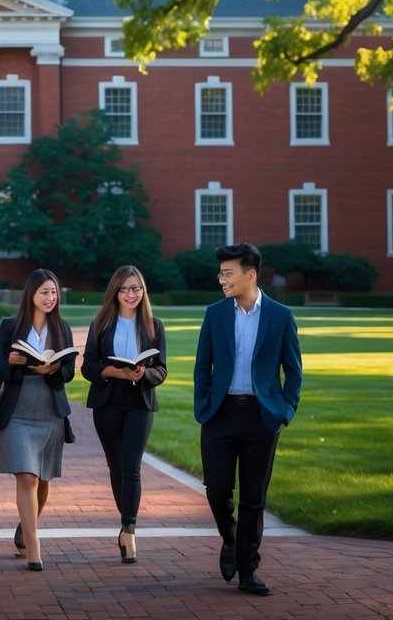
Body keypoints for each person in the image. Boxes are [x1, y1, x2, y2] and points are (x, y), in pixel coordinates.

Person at [194, 243, 302, 597]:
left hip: (261, 417)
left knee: (254, 496)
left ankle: (247, 569)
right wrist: (203, 405)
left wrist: (284, 411)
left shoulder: (281, 316)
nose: (221, 278)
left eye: (228, 273)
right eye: (221, 273)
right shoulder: (215, 314)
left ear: (250, 275)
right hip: (220, 415)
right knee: (218, 489)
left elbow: (293, 371)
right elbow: (202, 365)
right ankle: (230, 537)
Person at [0, 268, 77, 572]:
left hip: (49, 409)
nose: (50, 298)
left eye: (53, 292)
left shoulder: (62, 327)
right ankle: (34, 545)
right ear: (31, 295)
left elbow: (69, 371)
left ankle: (27, 527)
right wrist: (12, 363)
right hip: (18, 410)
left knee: (43, 478)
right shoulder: (10, 326)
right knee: (27, 475)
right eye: (44, 293)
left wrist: (55, 370)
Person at [81, 265, 168, 564]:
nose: (131, 294)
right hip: (107, 401)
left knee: (131, 466)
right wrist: (116, 371)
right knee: (115, 466)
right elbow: (88, 367)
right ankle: (125, 522)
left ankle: (128, 529)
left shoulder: (154, 325)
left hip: (139, 401)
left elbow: (162, 370)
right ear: (114, 292)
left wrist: (143, 374)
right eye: (125, 289)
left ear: (143, 291)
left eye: (136, 288)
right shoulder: (101, 324)